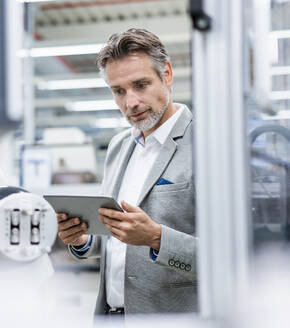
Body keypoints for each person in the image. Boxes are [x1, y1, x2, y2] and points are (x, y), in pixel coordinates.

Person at [56, 28, 197, 316]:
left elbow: (232, 258)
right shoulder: (120, 146)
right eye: (118, 91)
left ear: (166, 74)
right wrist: (82, 240)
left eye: (141, 85)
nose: (130, 102)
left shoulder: (209, 144)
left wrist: (157, 238)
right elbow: (114, 239)